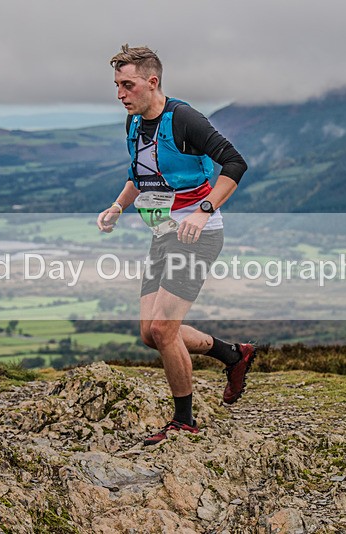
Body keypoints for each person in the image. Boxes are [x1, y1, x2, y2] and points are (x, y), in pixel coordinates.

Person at [96, 44, 256, 446]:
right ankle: (233, 355)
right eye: (117, 85)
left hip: (198, 235)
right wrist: (118, 206)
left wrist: (204, 210)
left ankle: (183, 421)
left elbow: (235, 163)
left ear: (152, 82)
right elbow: (140, 176)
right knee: (149, 334)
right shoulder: (134, 124)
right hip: (165, 233)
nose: (120, 94)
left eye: (127, 85)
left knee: (164, 330)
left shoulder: (184, 119)